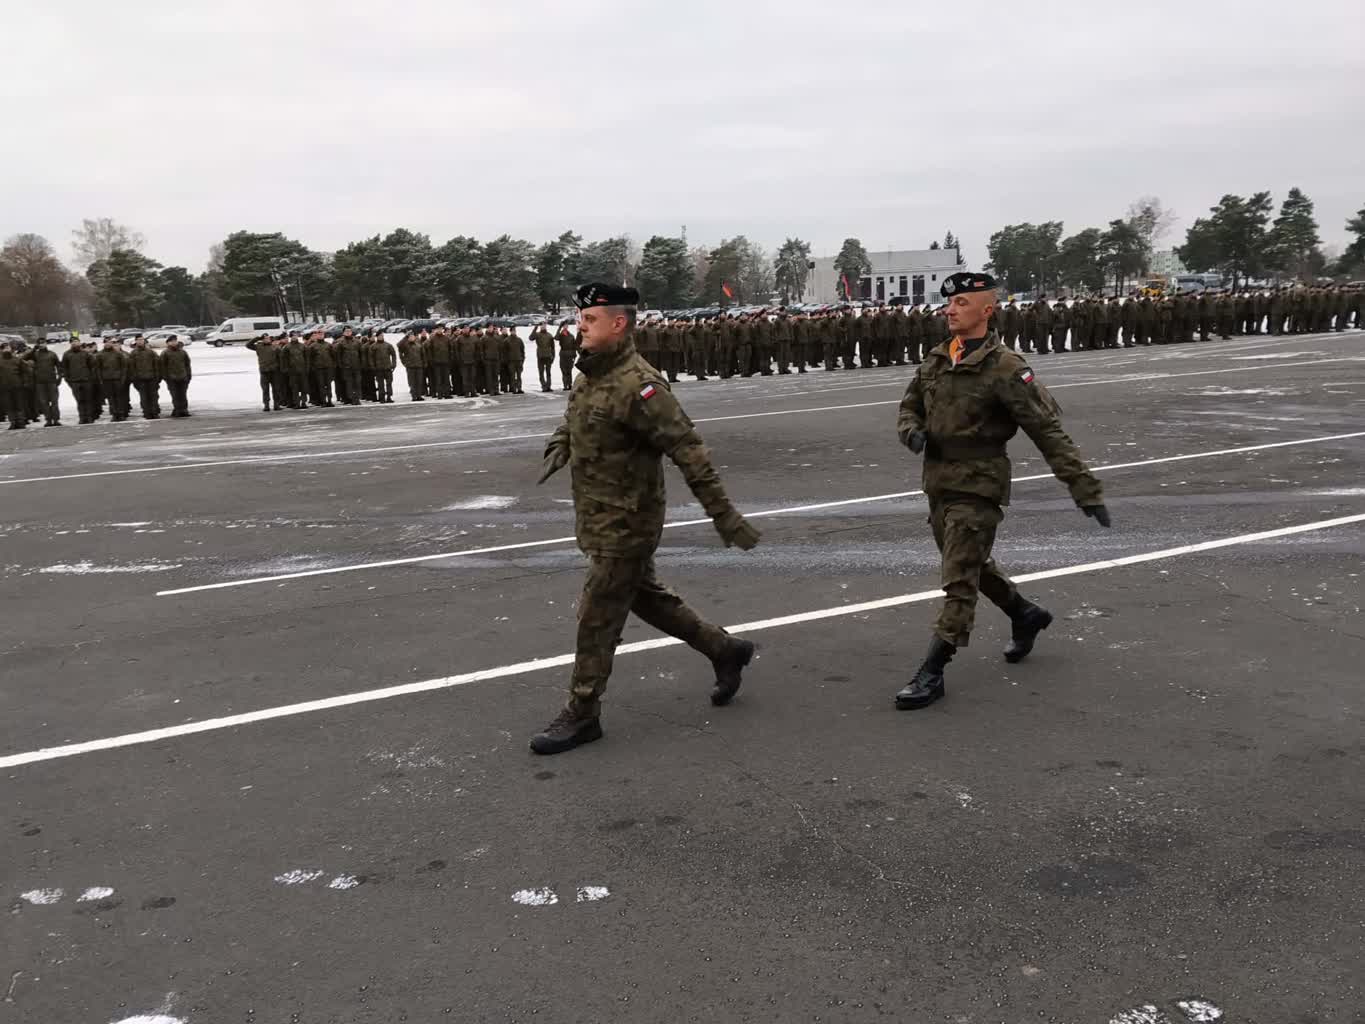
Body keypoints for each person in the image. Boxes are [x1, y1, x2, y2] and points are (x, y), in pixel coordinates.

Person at [530, 283, 762, 755]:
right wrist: (561, 442)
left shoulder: (641, 386)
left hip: (627, 524)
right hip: (596, 517)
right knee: (647, 599)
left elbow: (689, 451)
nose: (580, 326)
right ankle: (725, 650)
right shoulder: (591, 372)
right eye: (580, 318)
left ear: (618, 323)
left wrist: (724, 515)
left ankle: (582, 712)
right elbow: (575, 417)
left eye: (589, 319)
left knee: (597, 616)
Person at [893, 271, 1110, 711]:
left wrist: (1083, 487)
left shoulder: (1006, 367)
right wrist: (912, 431)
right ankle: (1025, 614)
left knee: (959, 579)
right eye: (949, 303)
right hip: (938, 483)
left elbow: (1047, 432)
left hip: (979, 484)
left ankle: (933, 670)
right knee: (971, 564)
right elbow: (909, 406)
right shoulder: (938, 358)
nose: (950, 310)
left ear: (987, 310)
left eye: (962, 303)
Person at [25, 337, 62, 426]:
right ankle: (48, 420)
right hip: (39, 382)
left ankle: (56, 419)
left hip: (52, 381)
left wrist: (60, 377)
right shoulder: (35, 354)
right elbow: (25, 358)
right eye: (40, 343)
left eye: (43, 343)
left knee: (54, 402)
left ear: (46, 343)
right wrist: (33, 349)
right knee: (44, 402)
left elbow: (59, 366)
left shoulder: (52, 354)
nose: (42, 344)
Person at [159, 336, 192, 416]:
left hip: (183, 377)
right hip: (171, 378)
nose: (174, 343)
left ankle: (184, 410)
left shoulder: (183, 352)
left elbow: (187, 364)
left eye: (175, 341)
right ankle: (178, 410)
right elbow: (162, 366)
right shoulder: (165, 353)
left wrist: (188, 375)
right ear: (168, 343)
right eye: (172, 341)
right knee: (175, 395)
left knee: (183, 395)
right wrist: (166, 377)